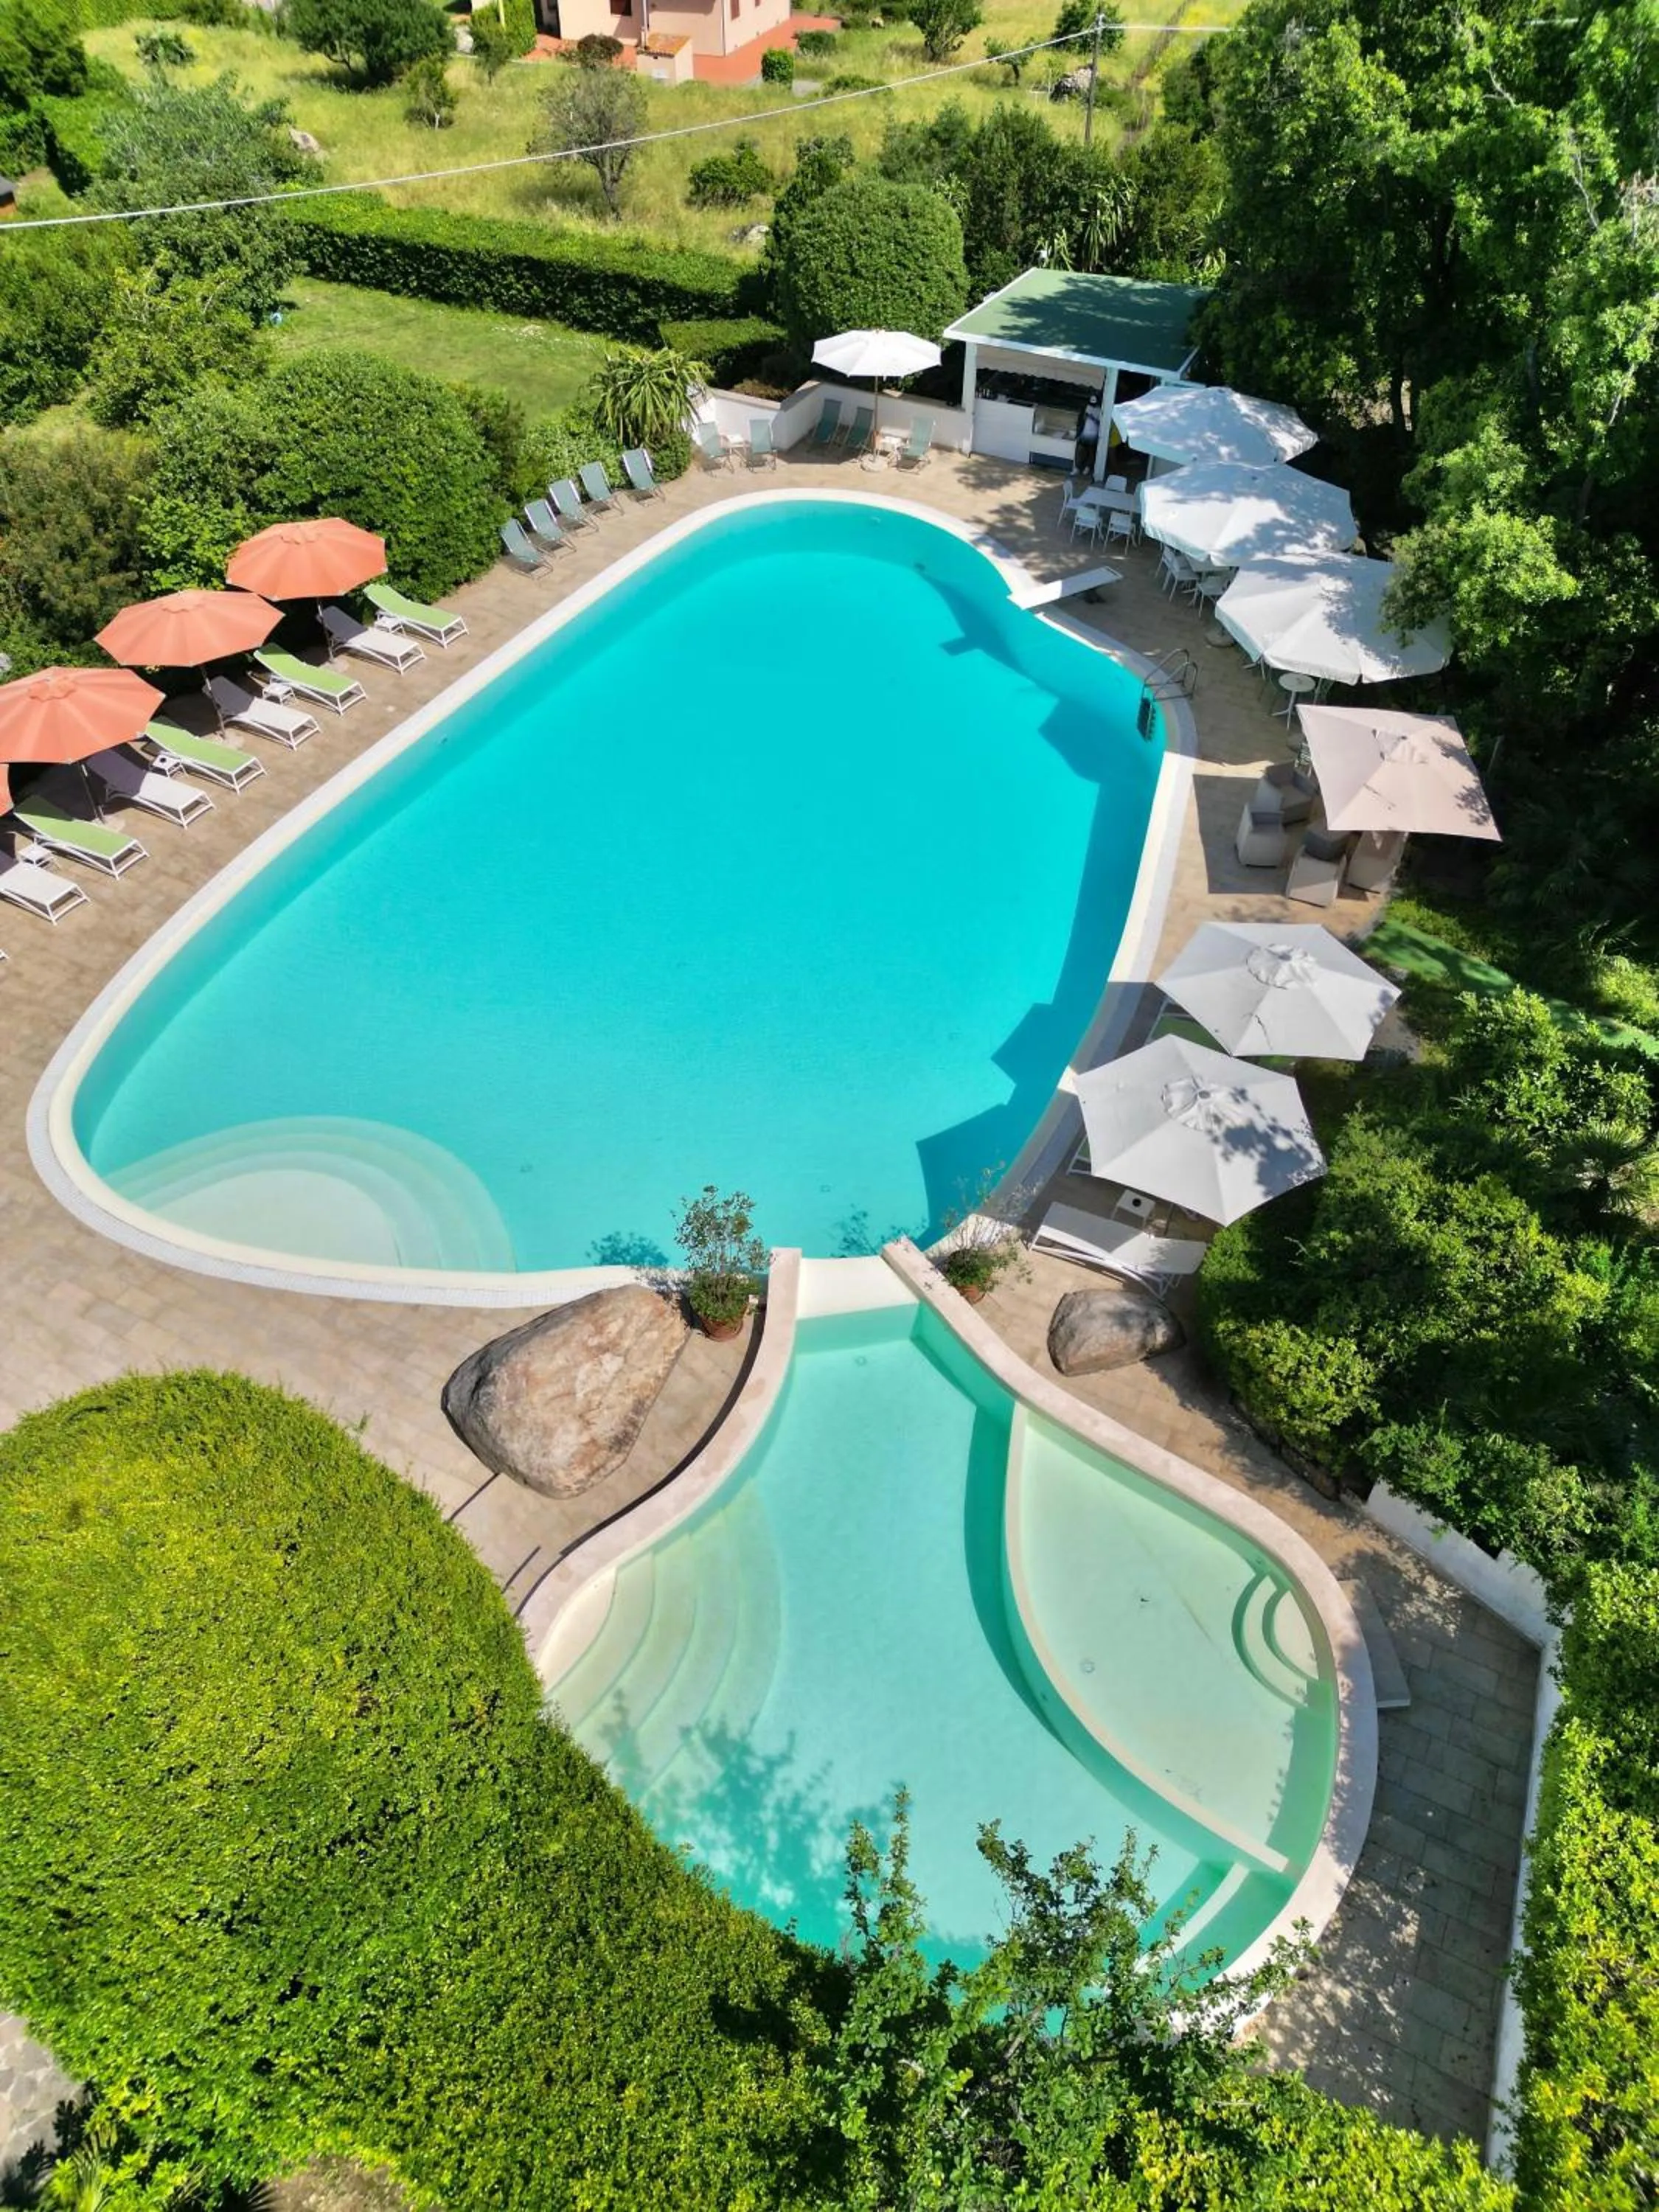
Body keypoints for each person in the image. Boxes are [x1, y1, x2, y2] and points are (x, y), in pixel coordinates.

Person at [1076, 394, 1102, 475]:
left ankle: (1088, 468)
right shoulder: (1087, 407)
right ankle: (1077, 467)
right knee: (1080, 450)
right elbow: (1082, 420)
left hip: (1094, 434)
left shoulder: (1100, 410)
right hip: (1085, 433)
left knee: (1091, 452)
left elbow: (1101, 423)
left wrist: (1093, 418)